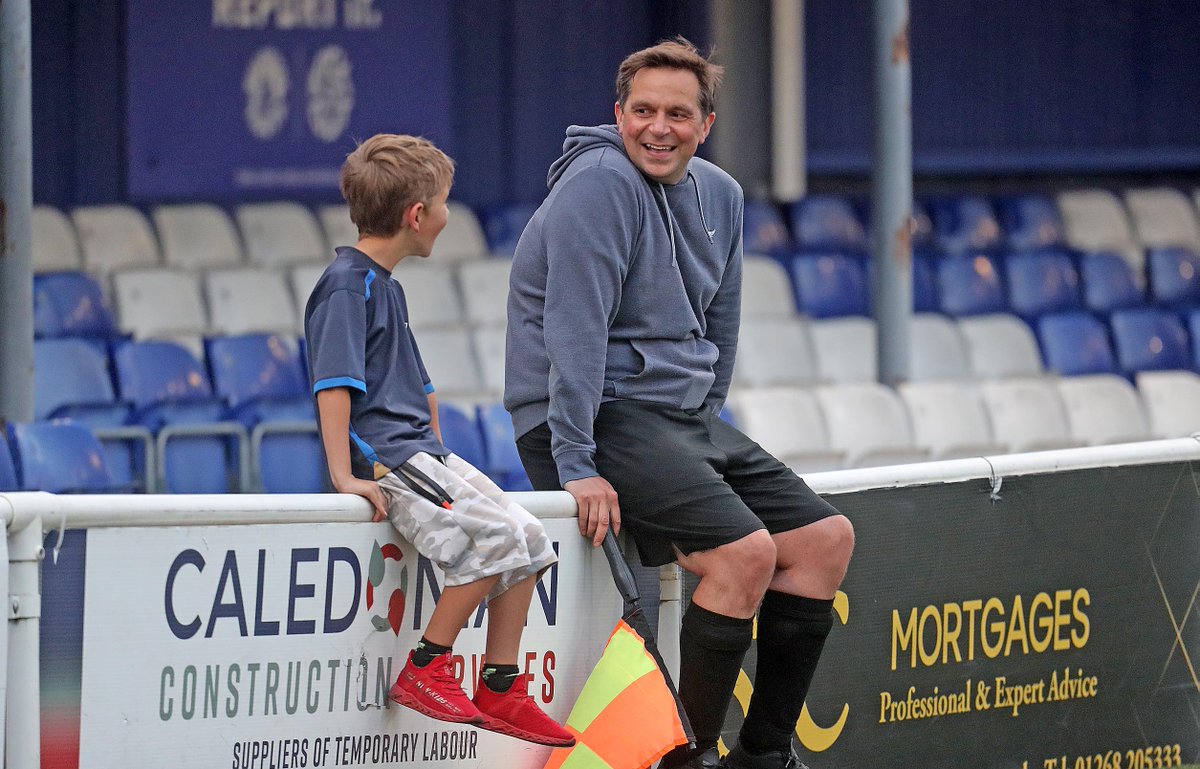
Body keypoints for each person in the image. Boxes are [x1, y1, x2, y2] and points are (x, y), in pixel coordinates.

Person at [505, 40, 854, 769]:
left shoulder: (721, 195)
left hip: (681, 420)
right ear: (618, 114)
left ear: (706, 123)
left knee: (826, 543)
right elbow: (575, 334)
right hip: (594, 414)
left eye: (677, 114)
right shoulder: (596, 185)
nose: (657, 128)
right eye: (642, 111)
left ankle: (761, 756)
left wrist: (703, 412)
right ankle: (681, 757)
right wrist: (576, 462)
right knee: (745, 555)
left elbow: (720, 324)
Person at [304, 133, 574, 748]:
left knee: (530, 537)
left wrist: (439, 442)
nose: (449, 217)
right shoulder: (347, 285)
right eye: (444, 203)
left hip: (427, 452)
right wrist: (347, 473)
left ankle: (501, 684)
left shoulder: (384, 283)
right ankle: (428, 667)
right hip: (393, 460)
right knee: (495, 539)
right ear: (416, 215)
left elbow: (416, 384)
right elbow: (334, 386)